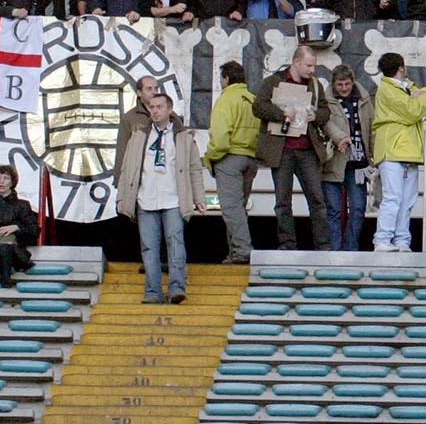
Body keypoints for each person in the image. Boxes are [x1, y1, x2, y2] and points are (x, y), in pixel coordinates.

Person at [115, 90, 205, 304]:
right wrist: (121, 197)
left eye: (159, 107)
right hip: (145, 199)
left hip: (173, 199)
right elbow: (127, 168)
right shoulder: (139, 136)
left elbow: (194, 169)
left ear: (170, 109)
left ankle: (176, 289)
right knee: (149, 248)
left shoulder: (183, 137)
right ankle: (152, 292)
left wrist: (199, 198)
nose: (155, 111)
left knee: (176, 245)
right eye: (152, 108)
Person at [252, 45, 340, 252]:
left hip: (308, 149)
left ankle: (323, 245)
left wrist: (315, 116)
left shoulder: (315, 85)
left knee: (317, 200)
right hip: (281, 150)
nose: (312, 70)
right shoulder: (273, 82)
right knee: (283, 201)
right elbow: (258, 107)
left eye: (313, 66)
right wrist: (281, 113)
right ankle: (287, 243)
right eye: (308, 66)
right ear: (296, 62)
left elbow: (326, 111)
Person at [370, 51, 426, 252]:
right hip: (392, 150)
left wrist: (425, 94)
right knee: (393, 197)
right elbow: (412, 111)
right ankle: (382, 240)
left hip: (408, 151)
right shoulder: (387, 90)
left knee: (407, 200)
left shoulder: (404, 87)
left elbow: (419, 94)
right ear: (401, 67)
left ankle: (402, 241)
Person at [203, 60, 260, 264]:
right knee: (239, 209)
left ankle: (243, 251)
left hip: (229, 159)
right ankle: (234, 253)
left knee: (231, 209)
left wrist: (210, 157)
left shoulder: (226, 100)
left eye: (221, 78)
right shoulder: (252, 99)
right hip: (250, 159)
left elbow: (220, 138)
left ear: (226, 78)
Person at [321, 64, 373, 252]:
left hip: (358, 162)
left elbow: (372, 127)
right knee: (333, 210)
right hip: (333, 161)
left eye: (347, 84)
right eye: (339, 85)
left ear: (353, 82)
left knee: (358, 208)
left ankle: (351, 249)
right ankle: (335, 251)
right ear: (333, 84)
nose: (344, 88)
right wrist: (339, 138)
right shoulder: (326, 100)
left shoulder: (364, 99)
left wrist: (374, 156)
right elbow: (325, 123)